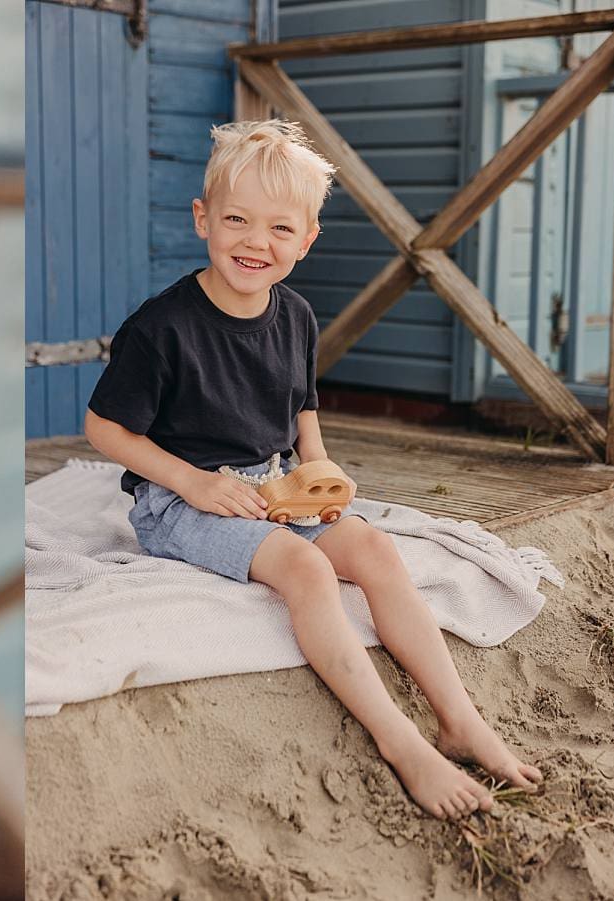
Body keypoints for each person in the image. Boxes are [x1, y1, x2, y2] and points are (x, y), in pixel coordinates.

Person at [82, 119, 541, 820]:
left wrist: (321, 470)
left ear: (306, 240)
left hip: (272, 481)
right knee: (308, 570)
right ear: (203, 219)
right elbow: (103, 427)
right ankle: (400, 741)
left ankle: (458, 717)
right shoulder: (162, 327)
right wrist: (191, 482)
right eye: (236, 219)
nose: (255, 243)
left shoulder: (295, 315)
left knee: (374, 547)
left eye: (278, 228)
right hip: (185, 497)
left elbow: (303, 414)